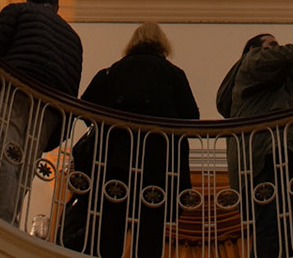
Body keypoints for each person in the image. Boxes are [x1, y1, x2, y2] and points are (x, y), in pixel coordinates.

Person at [66, 23, 198, 258]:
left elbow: (86, 108)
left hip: (113, 162)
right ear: (163, 43)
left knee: (110, 226)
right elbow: (191, 116)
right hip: (158, 164)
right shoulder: (174, 74)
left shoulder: (112, 72)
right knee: (151, 229)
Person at [0, 0, 83, 226]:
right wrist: (60, 127)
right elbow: (72, 85)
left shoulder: (17, 11)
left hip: (14, 89)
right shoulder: (73, 38)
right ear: (56, 7)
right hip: (49, 109)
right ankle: (6, 223)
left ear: (29, 0)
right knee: (23, 168)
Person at [217, 33, 293, 257]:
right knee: (274, 229)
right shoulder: (252, 61)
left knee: (288, 234)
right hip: (268, 155)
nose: (277, 48)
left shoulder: (273, 84)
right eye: (272, 44)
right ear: (252, 49)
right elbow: (283, 57)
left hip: (274, 155)